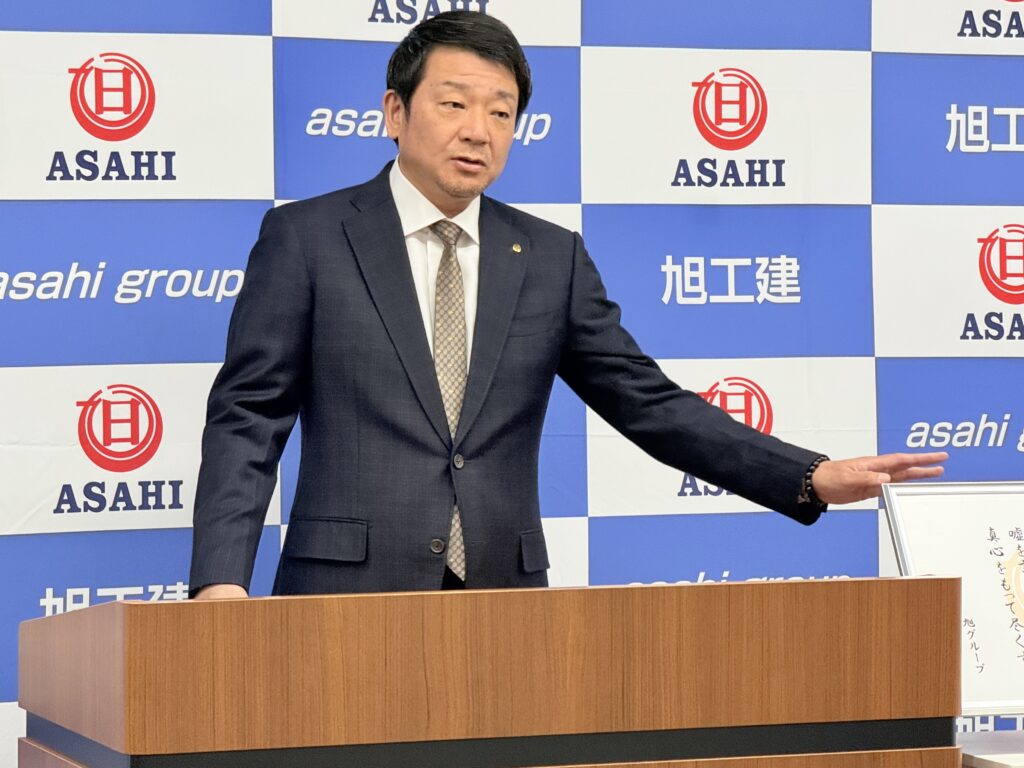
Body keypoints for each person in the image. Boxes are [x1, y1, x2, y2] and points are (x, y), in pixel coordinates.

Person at [189, 11, 945, 599]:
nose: (477, 131)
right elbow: (248, 416)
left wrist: (809, 475)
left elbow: (648, 403)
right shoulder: (308, 238)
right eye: (453, 104)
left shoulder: (549, 257)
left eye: (501, 113)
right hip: (344, 593)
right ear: (395, 111)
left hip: (505, 595)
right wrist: (221, 580)